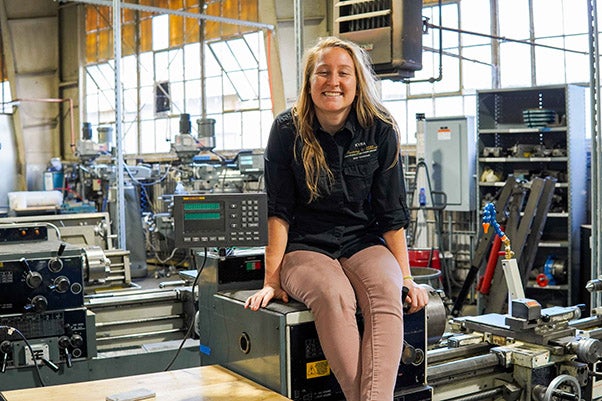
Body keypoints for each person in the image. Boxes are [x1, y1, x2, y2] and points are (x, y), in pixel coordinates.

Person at [244, 36, 429, 401]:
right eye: (323, 72)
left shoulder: (379, 128)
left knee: (386, 294)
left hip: (363, 241)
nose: (333, 82)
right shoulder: (286, 130)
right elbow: (278, 211)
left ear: (357, 81)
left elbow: (392, 212)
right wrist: (271, 279)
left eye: (344, 73)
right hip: (305, 245)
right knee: (334, 295)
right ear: (309, 82)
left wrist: (407, 277)